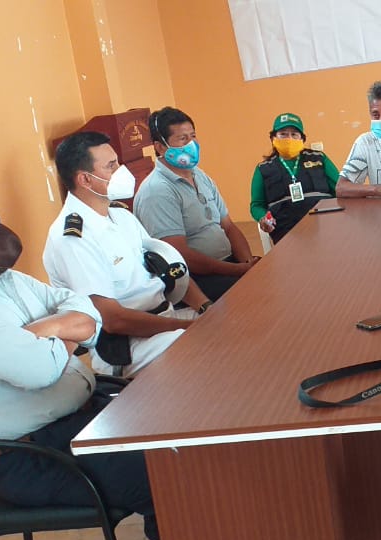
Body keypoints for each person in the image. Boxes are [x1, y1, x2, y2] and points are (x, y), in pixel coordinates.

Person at [0, 188, 162, 540]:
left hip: (81, 423)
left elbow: (85, 310)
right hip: (37, 457)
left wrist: (50, 328)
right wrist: (68, 330)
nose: (0, 231)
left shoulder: (2, 279)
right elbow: (42, 372)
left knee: (180, 436)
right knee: (169, 475)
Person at [44, 131, 212, 377]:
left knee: (230, 322)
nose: (121, 171)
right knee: (210, 346)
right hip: (127, 344)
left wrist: (206, 308)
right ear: (85, 179)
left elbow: (169, 266)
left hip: (165, 317)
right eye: (111, 166)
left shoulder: (121, 216)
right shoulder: (72, 239)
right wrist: (188, 327)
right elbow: (113, 320)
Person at [135, 106, 260, 300]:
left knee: (268, 279)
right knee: (254, 297)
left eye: (193, 136)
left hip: (228, 265)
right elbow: (179, 255)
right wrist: (237, 270)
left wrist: (248, 264)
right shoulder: (157, 191)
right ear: (160, 147)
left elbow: (228, 226)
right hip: (195, 278)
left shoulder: (199, 175)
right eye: (182, 139)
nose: (191, 144)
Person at [249, 112, 340, 242]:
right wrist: (263, 218)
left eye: (294, 134)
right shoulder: (263, 169)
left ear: (302, 139)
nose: (289, 139)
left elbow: (339, 189)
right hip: (287, 231)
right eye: (283, 134)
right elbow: (256, 205)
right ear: (273, 138)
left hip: (326, 225)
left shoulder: (319, 158)